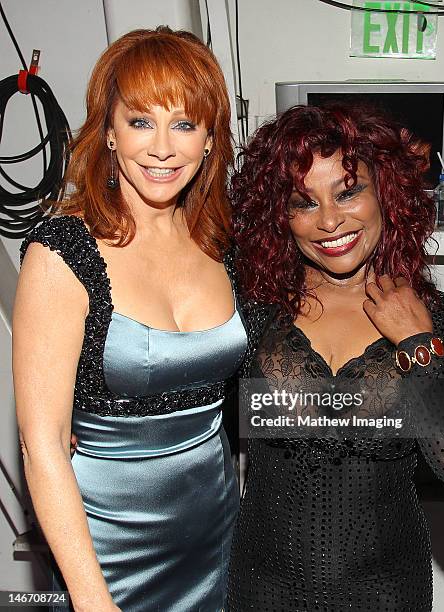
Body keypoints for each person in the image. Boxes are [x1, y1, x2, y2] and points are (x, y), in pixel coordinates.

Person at [13, 27, 266, 612]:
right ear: (108, 132)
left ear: (209, 140)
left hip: (216, 533)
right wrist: (91, 599)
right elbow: (43, 445)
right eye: (140, 121)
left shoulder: (223, 243)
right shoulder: (63, 252)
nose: (161, 147)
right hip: (106, 551)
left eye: (183, 124)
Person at [227, 103, 444, 611]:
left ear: (384, 193)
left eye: (348, 192)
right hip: (264, 590)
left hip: (385, 593)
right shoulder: (253, 311)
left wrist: (417, 346)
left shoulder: (440, 319)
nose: (329, 221)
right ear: (280, 215)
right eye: (304, 203)